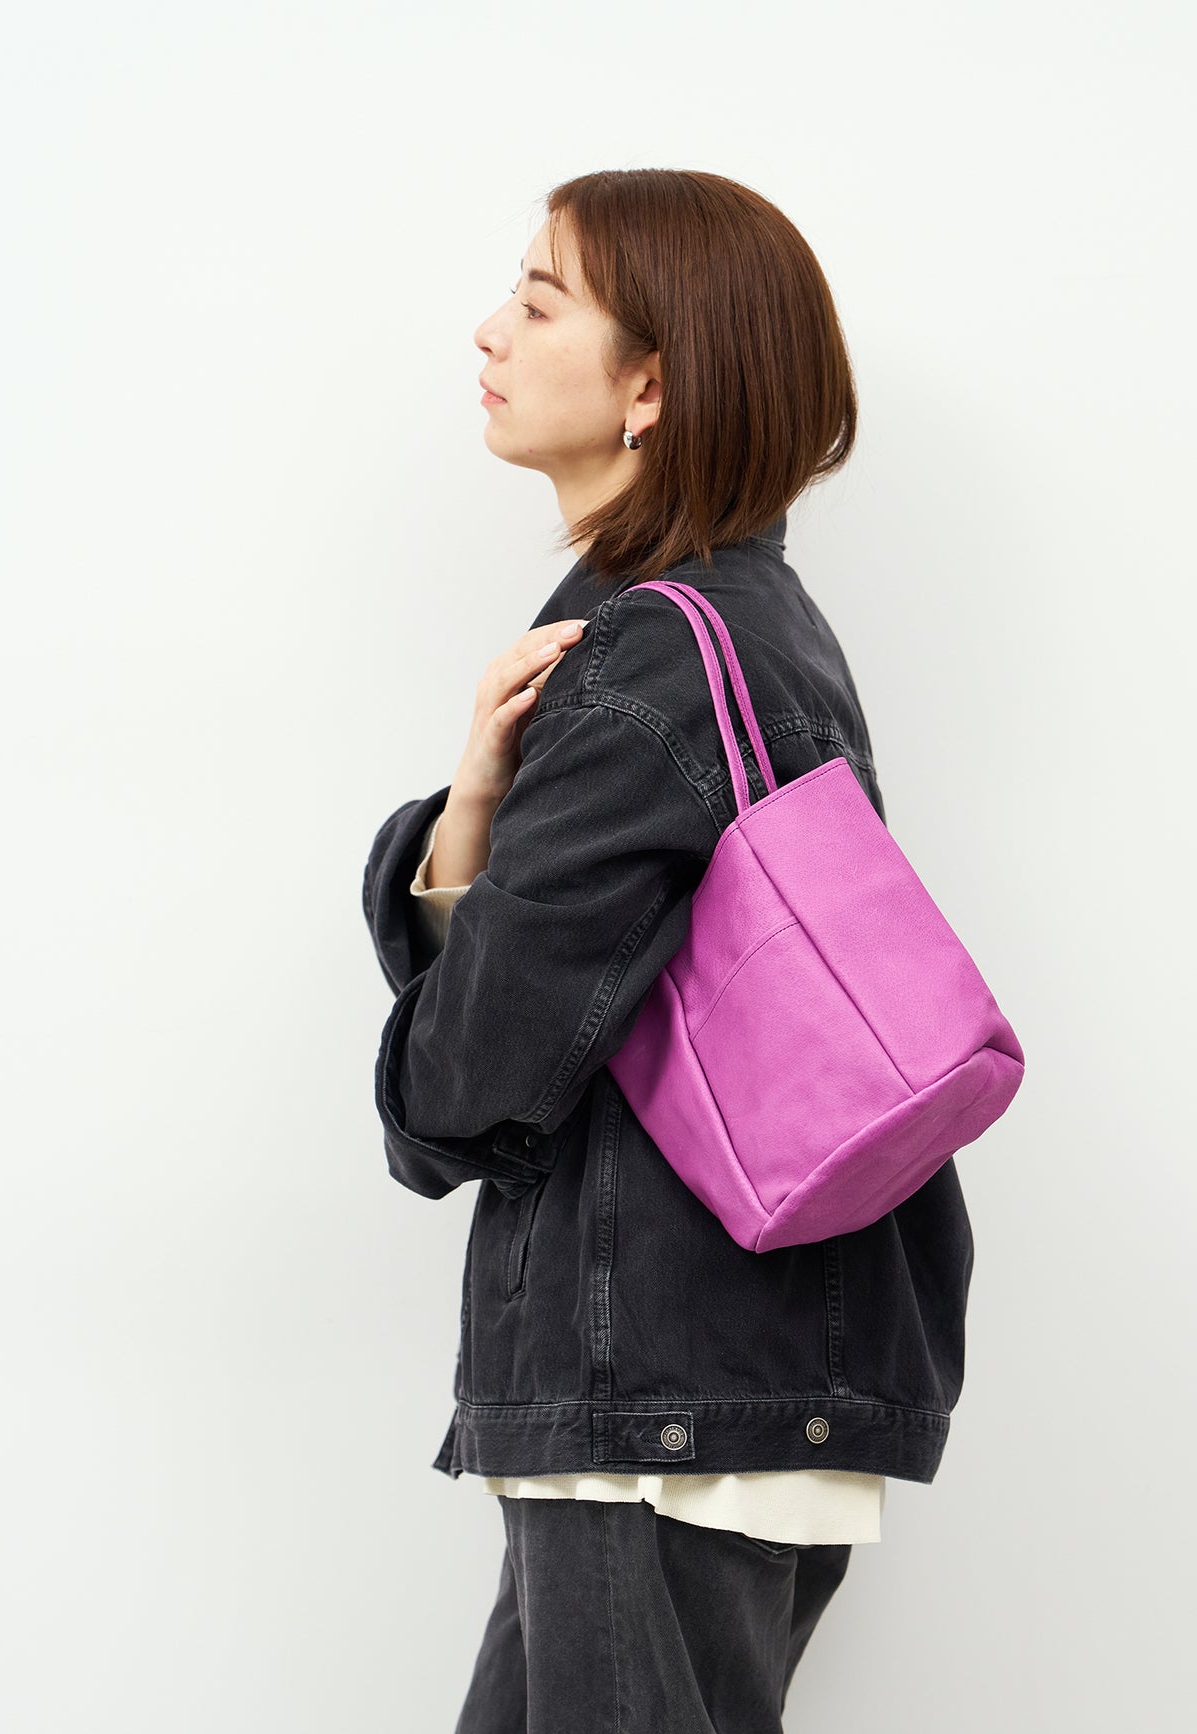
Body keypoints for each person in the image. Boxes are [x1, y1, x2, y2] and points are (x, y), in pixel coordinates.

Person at [361, 168, 976, 1733]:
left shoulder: (650, 653)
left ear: (651, 386)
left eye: (538, 300)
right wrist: (481, 798)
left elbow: (462, 1088)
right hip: (707, 1393)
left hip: (654, 1412)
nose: (489, 331)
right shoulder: (751, 622)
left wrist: (468, 833)